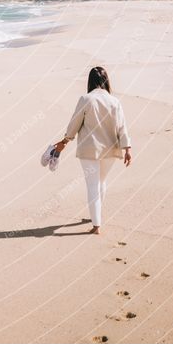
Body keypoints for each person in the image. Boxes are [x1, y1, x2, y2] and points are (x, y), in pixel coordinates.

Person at [54, 66, 131, 235]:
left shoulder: (86, 99)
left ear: (90, 81)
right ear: (106, 81)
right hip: (111, 149)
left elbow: (74, 124)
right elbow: (122, 127)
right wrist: (127, 148)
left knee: (92, 185)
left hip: (89, 149)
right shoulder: (114, 101)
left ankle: (96, 225)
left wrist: (64, 141)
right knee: (101, 182)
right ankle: (96, 216)